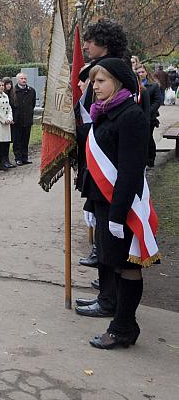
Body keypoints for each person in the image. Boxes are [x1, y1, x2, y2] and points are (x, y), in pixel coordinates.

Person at [80, 58, 157, 349]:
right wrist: (91, 205)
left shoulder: (130, 115)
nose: (94, 87)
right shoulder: (105, 112)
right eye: (93, 81)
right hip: (105, 204)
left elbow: (129, 169)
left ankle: (124, 328)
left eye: (101, 81)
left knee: (127, 266)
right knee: (113, 264)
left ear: (119, 82)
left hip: (122, 207)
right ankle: (123, 323)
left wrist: (117, 213)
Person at [135, 64, 161, 167]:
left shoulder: (153, 85)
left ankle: (150, 158)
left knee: (148, 137)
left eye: (142, 72)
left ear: (146, 73)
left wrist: (148, 111)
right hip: (137, 116)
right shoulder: (135, 85)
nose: (141, 74)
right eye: (139, 72)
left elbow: (157, 101)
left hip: (149, 117)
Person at [10, 72, 37, 165]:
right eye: (21, 79)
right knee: (17, 140)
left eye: (25, 78)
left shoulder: (31, 91)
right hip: (17, 120)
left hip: (27, 119)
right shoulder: (13, 91)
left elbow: (32, 104)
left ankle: (25, 157)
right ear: (17, 80)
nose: (24, 80)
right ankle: (18, 158)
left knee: (26, 139)